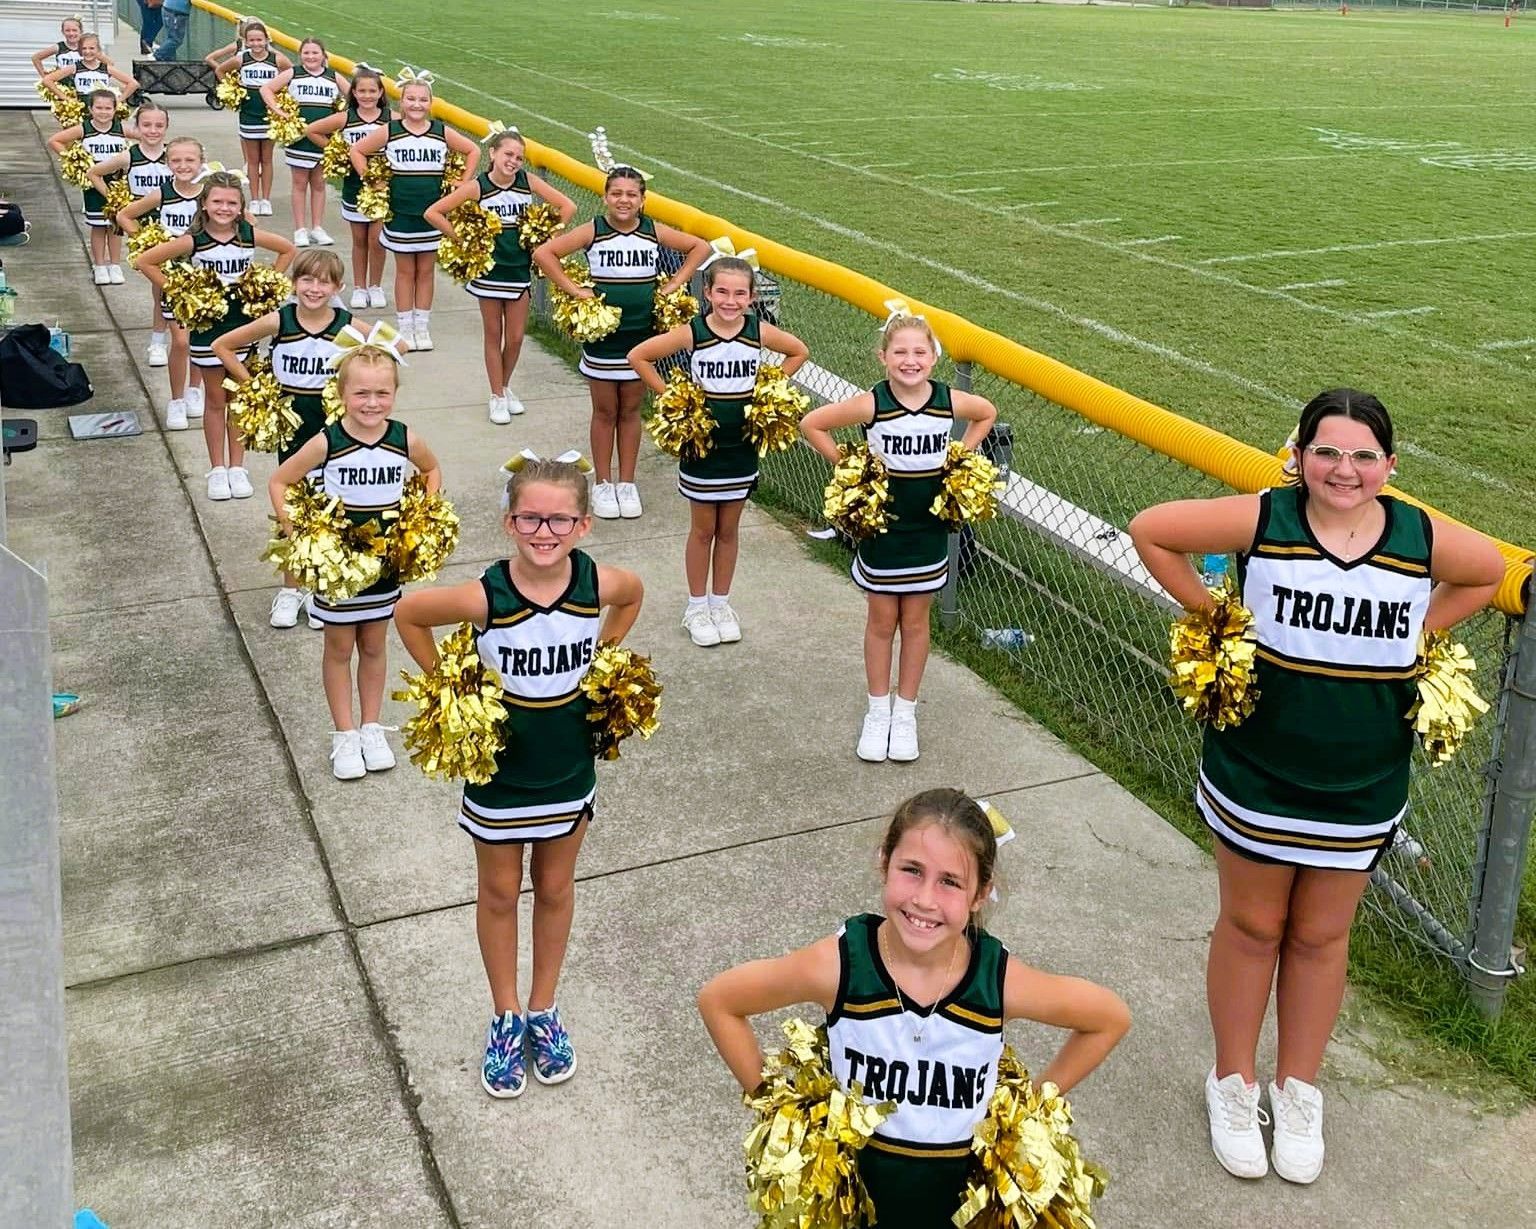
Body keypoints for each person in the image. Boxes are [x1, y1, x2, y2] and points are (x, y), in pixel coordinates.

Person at [1127, 388, 1504, 1185]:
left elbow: (1489, 571)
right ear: (1297, 456)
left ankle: (1298, 1087)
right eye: (1327, 451)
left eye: (1365, 455)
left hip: (1362, 782)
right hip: (1258, 771)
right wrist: (1218, 620)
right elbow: (1153, 532)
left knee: (1322, 937)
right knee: (1253, 924)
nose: (1345, 468)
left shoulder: (1417, 533)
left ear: (1391, 466)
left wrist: (1419, 632)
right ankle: (1232, 1080)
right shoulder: (1268, 517)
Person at [698, 787, 1130, 1228]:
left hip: (959, 1210)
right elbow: (721, 1001)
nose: (925, 899)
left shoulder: (995, 981)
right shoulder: (842, 966)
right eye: (912, 871)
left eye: (950, 882)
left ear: (980, 893)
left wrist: (1029, 1112)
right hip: (853, 1205)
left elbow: (1108, 1019)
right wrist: (781, 1113)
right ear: (884, 863)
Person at [394, 453, 645, 1098]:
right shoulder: (487, 594)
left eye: (561, 519)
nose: (545, 531)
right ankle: (505, 1015)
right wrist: (448, 687)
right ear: (509, 522)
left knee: (556, 887)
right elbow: (411, 614)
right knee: (501, 893)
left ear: (584, 525)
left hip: (568, 768)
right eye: (531, 517)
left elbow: (634, 593)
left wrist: (606, 659)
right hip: (500, 774)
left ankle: (543, 1009)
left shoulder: (595, 584)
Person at [799, 309, 997, 764]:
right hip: (884, 531)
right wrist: (850, 469)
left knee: (916, 623)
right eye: (900, 352)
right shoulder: (873, 403)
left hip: (927, 531)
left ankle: (905, 713)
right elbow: (814, 423)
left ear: (934, 358)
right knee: (882, 622)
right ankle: (877, 711)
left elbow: (986, 413)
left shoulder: (947, 401)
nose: (910, 361)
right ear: (883, 357)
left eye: (919, 352)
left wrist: (959, 460)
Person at [271, 340, 440, 778]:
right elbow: (280, 482)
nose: (372, 402)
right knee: (339, 646)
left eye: (382, 393)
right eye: (361, 393)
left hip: (384, 565)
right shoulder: (328, 441)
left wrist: (423, 513)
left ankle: (370, 726)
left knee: (374, 644)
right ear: (342, 394)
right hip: (340, 567)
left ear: (395, 394)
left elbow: (431, 469)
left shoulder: (404, 438)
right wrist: (299, 534)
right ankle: (344, 734)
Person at [627, 254, 809, 646]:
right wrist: (674, 398)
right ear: (707, 292)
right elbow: (639, 356)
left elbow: (799, 351)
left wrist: (769, 390)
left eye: (739, 293)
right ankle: (696, 606)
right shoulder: (694, 332)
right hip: (703, 447)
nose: (730, 301)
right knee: (703, 529)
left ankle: (721, 603)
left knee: (729, 529)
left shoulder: (757, 331)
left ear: (752, 297)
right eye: (722, 291)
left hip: (742, 446)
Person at [534, 166, 709, 520]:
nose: (623, 200)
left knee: (630, 411)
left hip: (640, 339)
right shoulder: (594, 231)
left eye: (631, 194)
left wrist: (674, 285)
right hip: (603, 339)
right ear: (605, 197)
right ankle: (602, 482)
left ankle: (627, 483)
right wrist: (575, 290)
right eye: (616, 193)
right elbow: (544, 255)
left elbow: (699, 247)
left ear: (643, 200)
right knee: (604, 411)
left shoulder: (652, 231)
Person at [214, 248, 368, 629]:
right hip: (293, 426)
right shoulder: (280, 319)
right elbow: (223, 346)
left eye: (324, 282)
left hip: (333, 428)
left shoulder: (347, 325)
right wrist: (258, 389)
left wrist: (360, 391)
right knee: (294, 505)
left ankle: (323, 584)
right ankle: (290, 589)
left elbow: (396, 347)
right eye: (307, 280)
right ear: (294, 283)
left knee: (333, 502)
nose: (315, 288)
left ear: (338, 287)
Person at [135, 170, 295, 500]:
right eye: (217, 201)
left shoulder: (248, 235)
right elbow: (146, 261)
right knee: (214, 399)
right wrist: (180, 292)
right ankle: (217, 469)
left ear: (241, 207)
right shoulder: (194, 240)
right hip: (209, 327)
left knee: (239, 396)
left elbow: (287, 250)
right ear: (204, 204)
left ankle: (238, 467)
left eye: (231, 203)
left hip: (243, 325)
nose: (224, 208)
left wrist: (264, 288)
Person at [425, 127, 574, 423]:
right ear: (492, 153)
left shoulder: (526, 182)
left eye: (519, 157)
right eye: (508, 154)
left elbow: (567, 206)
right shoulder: (478, 187)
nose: (514, 161)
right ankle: (496, 395)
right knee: (494, 335)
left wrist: (548, 237)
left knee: (516, 337)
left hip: (518, 269)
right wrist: (465, 240)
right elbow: (434, 213)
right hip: (489, 272)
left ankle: (504, 388)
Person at [347, 69, 479, 352]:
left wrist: (463, 182)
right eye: (410, 99)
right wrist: (372, 180)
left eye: (422, 99)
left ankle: (422, 326)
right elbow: (357, 151)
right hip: (401, 213)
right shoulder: (390, 130)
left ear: (431, 103)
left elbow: (473, 151)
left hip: (432, 214)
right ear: (400, 102)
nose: (416, 104)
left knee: (426, 271)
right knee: (405, 272)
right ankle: (405, 328)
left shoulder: (441, 132)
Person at [119, 138, 206, 429]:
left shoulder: (210, 194)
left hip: (206, 277)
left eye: (189, 161)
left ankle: (195, 389)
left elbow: (240, 219)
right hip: (174, 276)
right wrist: (145, 241)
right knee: (181, 341)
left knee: (200, 339)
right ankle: (176, 400)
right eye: (176, 161)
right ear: (168, 164)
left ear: (201, 163)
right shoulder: (163, 193)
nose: (183, 166)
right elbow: (125, 215)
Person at [88, 101, 174, 366]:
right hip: (144, 231)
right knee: (160, 286)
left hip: (175, 226)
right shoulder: (129, 156)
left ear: (167, 127)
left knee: (169, 287)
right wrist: (117, 202)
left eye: (159, 125)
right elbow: (94, 173)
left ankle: (170, 337)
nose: (153, 130)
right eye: (146, 125)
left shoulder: (174, 155)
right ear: (136, 127)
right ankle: (158, 342)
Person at [304, 63, 391, 308]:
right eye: (362, 91)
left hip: (381, 187)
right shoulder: (346, 118)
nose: (367, 96)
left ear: (381, 93)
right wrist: (338, 152)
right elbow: (312, 130)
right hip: (354, 184)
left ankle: (375, 286)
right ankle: (360, 287)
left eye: (372, 91)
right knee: (359, 240)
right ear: (353, 93)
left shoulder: (391, 120)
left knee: (378, 239)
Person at [260, 37, 348, 249]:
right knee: (299, 183)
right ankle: (300, 229)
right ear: (300, 55)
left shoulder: (333, 76)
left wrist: (343, 118)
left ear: (324, 55)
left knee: (319, 184)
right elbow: (266, 89)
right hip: (299, 137)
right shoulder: (293, 73)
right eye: (306, 53)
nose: (310, 57)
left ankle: (317, 227)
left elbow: (354, 96)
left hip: (324, 138)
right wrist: (278, 110)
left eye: (315, 53)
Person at [46, 88, 139, 285]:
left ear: (115, 109)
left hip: (118, 183)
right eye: (99, 108)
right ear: (90, 109)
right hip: (93, 183)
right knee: (98, 226)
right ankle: (99, 265)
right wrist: (74, 160)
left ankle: (115, 264)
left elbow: (145, 138)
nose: (103, 112)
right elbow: (55, 140)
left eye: (108, 108)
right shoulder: (84, 128)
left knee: (115, 226)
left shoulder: (121, 128)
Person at [212, 22, 290, 217]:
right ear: (245, 41)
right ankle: (254, 199)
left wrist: (282, 97)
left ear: (267, 40)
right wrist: (232, 89)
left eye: (259, 39)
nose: (256, 43)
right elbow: (220, 70)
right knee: (253, 160)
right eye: (252, 40)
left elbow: (291, 74)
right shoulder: (241, 59)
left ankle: (266, 199)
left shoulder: (277, 59)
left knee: (268, 159)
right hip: (248, 111)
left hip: (269, 113)